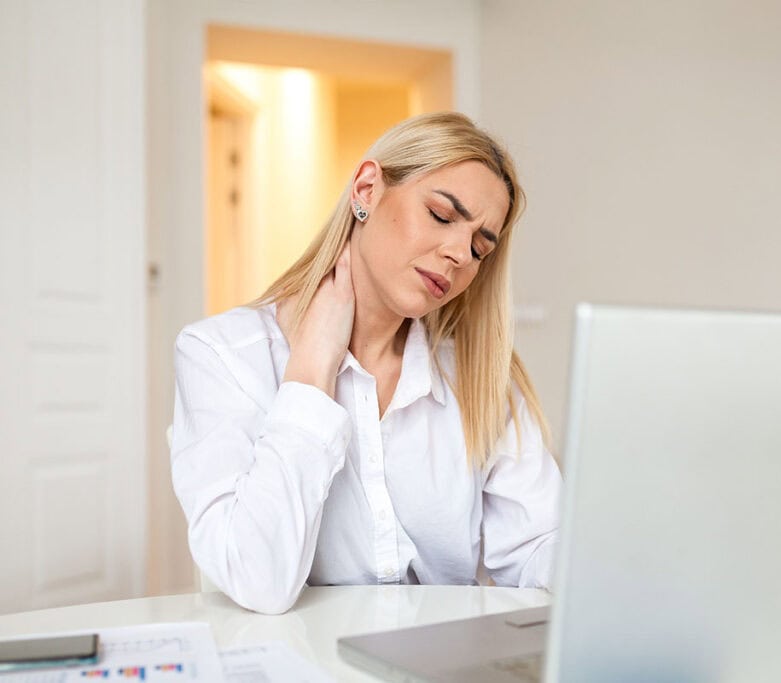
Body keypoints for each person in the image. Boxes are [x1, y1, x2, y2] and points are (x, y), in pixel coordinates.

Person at [170, 112, 561, 615]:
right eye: (442, 216)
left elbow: (537, 547)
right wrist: (312, 373)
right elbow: (257, 580)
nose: (459, 254)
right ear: (367, 189)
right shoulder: (222, 355)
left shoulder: (479, 376)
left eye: (479, 246)